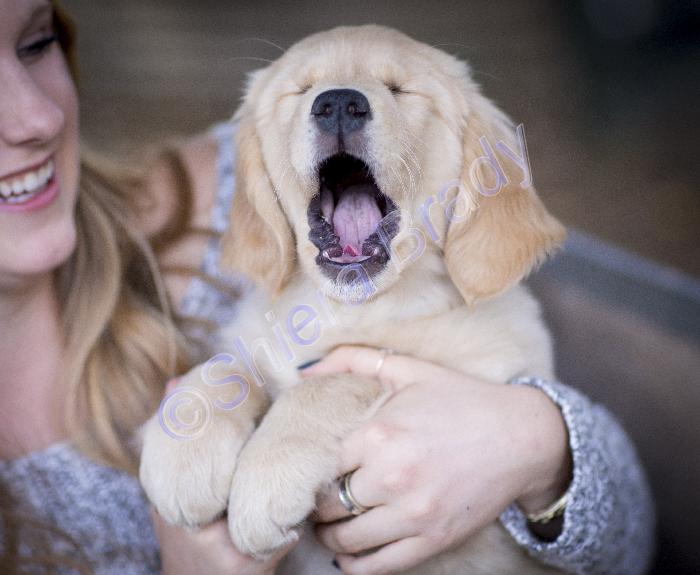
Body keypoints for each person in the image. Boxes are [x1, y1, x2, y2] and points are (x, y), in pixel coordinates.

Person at [0, 1, 654, 574]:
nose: (34, 118)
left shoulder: (210, 188)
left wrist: (543, 446)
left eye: (35, 43)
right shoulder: (259, 209)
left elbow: (637, 542)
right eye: (305, 92)